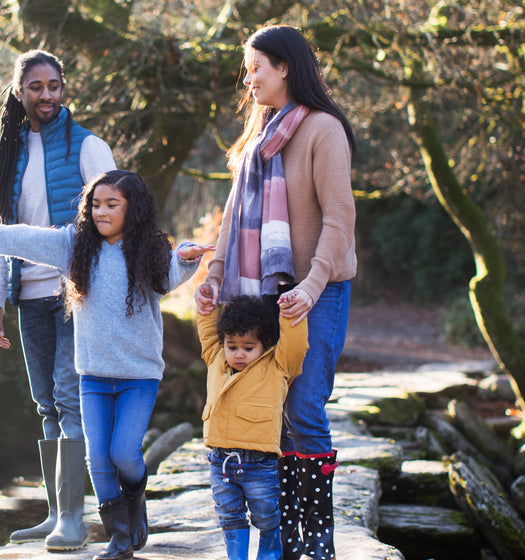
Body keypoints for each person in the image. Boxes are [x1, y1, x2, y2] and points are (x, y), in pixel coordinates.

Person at [0, 170, 212, 560]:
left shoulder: (147, 251)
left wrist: (184, 257)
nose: (101, 212)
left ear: (133, 209)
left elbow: (168, 276)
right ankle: (118, 539)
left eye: (112, 205)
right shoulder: (73, 247)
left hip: (138, 376)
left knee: (124, 455)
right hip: (93, 376)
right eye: (95, 204)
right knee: (96, 458)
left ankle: (135, 498)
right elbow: (18, 237)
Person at [195, 25, 359, 560]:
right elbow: (230, 222)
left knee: (304, 409)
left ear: (284, 67)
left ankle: (316, 543)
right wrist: (216, 275)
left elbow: (339, 218)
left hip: (320, 291)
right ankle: (281, 540)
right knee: (273, 411)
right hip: (260, 295)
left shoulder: (323, 130)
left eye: (255, 68)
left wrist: (312, 286)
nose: (249, 80)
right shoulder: (256, 138)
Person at [0, 49, 117, 551]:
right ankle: (56, 512)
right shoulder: (8, 156)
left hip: (74, 296)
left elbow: (118, 219)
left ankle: (74, 521)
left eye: (54, 86)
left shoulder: (89, 148)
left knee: (67, 398)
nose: (46, 95)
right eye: (35, 87)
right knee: (45, 405)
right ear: (19, 93)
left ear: (64, 89)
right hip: (28, 298)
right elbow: (2, 235)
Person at [196, 294, 308, 560]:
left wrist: (290, 313)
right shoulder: (216, 359)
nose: (239, 354)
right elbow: (208, 333)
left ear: (264, 345)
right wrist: (206, 307)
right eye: (232, 346)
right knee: (228, 514)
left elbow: (295, 346)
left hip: (259, 464)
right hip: (220, 462)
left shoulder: (277, 365)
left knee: (266, 514)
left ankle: (269, 553)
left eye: (248, 347)